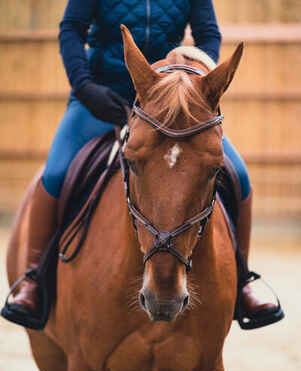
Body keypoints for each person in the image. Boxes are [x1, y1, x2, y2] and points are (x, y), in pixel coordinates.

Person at [2, 0, 281, 329]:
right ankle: (34, 278)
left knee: (240, 177)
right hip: (102, 94)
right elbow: (71, 30)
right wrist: (84, 86)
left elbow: (208, 35)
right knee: (57, 172)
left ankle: (242, 279)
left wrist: (195, 79)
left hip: (172, 102)